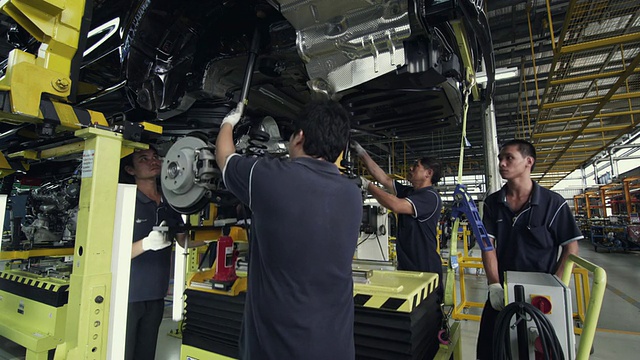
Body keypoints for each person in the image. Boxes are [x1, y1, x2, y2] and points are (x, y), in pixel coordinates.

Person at [215, 100, 362, 359]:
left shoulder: (269, 178)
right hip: (335, 348)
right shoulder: (352, 194)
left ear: (299, 137)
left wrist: (229, 121)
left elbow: (225, 158)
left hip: (279, 349)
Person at [476, 139, 582, 360]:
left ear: (528, 162)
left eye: (509, 158)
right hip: (503, 291)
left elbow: (570, 247)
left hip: (541, 295)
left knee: (539, 350)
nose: (502, 163)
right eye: (500, 159)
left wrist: (557, 284)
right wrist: (494, 284)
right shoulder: (493, 203)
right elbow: (488, 247)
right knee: (490, 349)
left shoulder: (553, 203)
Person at [120, 147, 205, 360]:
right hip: (128, 295)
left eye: (155, 157)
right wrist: (146, 244)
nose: (153, 161)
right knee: (123, 353)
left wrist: (218, 236)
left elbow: (183, 240)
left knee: (146, 353)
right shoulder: (125, 201)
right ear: (130, 170)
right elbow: (109, 253)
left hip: (156, 294)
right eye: (143, 159)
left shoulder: (169, 202)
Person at [353, 144, 443, 293]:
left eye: (416, 166)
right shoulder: (410, 192)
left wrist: (367, 185)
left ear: (428, 173)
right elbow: (383, 178)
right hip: (407, 265)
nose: (410, 169)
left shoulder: (430, 197)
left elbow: (396, 205)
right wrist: (362, 153)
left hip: (425, 269)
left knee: (426, 312)